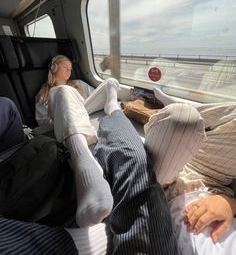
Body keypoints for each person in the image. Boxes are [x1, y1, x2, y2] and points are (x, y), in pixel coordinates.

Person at [0, 93, 180, 254]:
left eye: (70, 67)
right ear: (54, 68)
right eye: (65, 67)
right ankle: (111, 111)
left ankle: (89, 145)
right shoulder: (43, 92)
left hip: (22, 158)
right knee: (135, 159)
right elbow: (44, 122)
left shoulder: (79, 84)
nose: (69, 70)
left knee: (47, 95)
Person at [143, 87, 236, 255]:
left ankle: (174, 111)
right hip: (213, 182)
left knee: (181, 118)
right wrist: (231, 204)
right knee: (185, 117)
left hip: (164, 186)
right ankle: (178, 108)